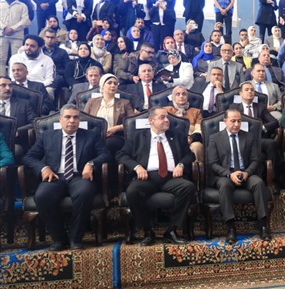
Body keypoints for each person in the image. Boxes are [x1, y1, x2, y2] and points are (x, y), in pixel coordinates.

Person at [22, 104, 111, 251]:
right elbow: (28, 157)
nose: (72, 121)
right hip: (55, 176)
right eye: (68, 117)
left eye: (75, 117)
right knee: (42, 196)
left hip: (79, 177)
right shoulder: (47, 136)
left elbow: (106, 154)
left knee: (84, 193)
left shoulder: (90, 135)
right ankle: (59, 239)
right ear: (60, 119)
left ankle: (76, 239)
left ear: (79, 119)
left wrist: (91, 163)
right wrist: (43, 168)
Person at [117, 106, 197, 245]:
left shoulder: (177, 135)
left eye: (167, 117)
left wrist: (181, 165)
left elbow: (190, 155)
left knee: (188, 187)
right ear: (151, 120)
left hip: (171, 177)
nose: (167, 120)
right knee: (132, 191)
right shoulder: (137, 136)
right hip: (147, 177)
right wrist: (137, 167)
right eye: (162, 117)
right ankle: (147, 231)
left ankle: (172, 230)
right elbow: (121, 155)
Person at [207, 106, 272, 242]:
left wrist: (247, 173)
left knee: (259, 183)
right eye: (233, 121)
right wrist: (229, 174)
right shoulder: (215, 138)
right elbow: (212, 163)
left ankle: (263, 226)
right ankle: (231, 228)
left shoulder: (248, 136)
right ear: (225, 121)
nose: (236, 124)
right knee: (224, 186)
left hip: (245, 172)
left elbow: (255, 160)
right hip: (225, 175)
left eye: (239, 121)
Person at [84, 73, 134, 155]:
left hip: (115, 136)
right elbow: (84, 120)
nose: (113, 85)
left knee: (109, 143)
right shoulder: (91, 102)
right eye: (109, 83)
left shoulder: (125, 103)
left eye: (115, 83)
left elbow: (131, 122)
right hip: (94, 135)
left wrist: (117, 128)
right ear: (102, 86)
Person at [0, 0, 31, 75]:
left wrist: (12, 28)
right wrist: (4, 27)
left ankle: (14, 80)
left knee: (16, 60)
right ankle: (1, 79)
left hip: (17, 36)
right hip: (2, 35)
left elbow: (25, 20)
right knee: (1, 59)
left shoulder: (23, 6)